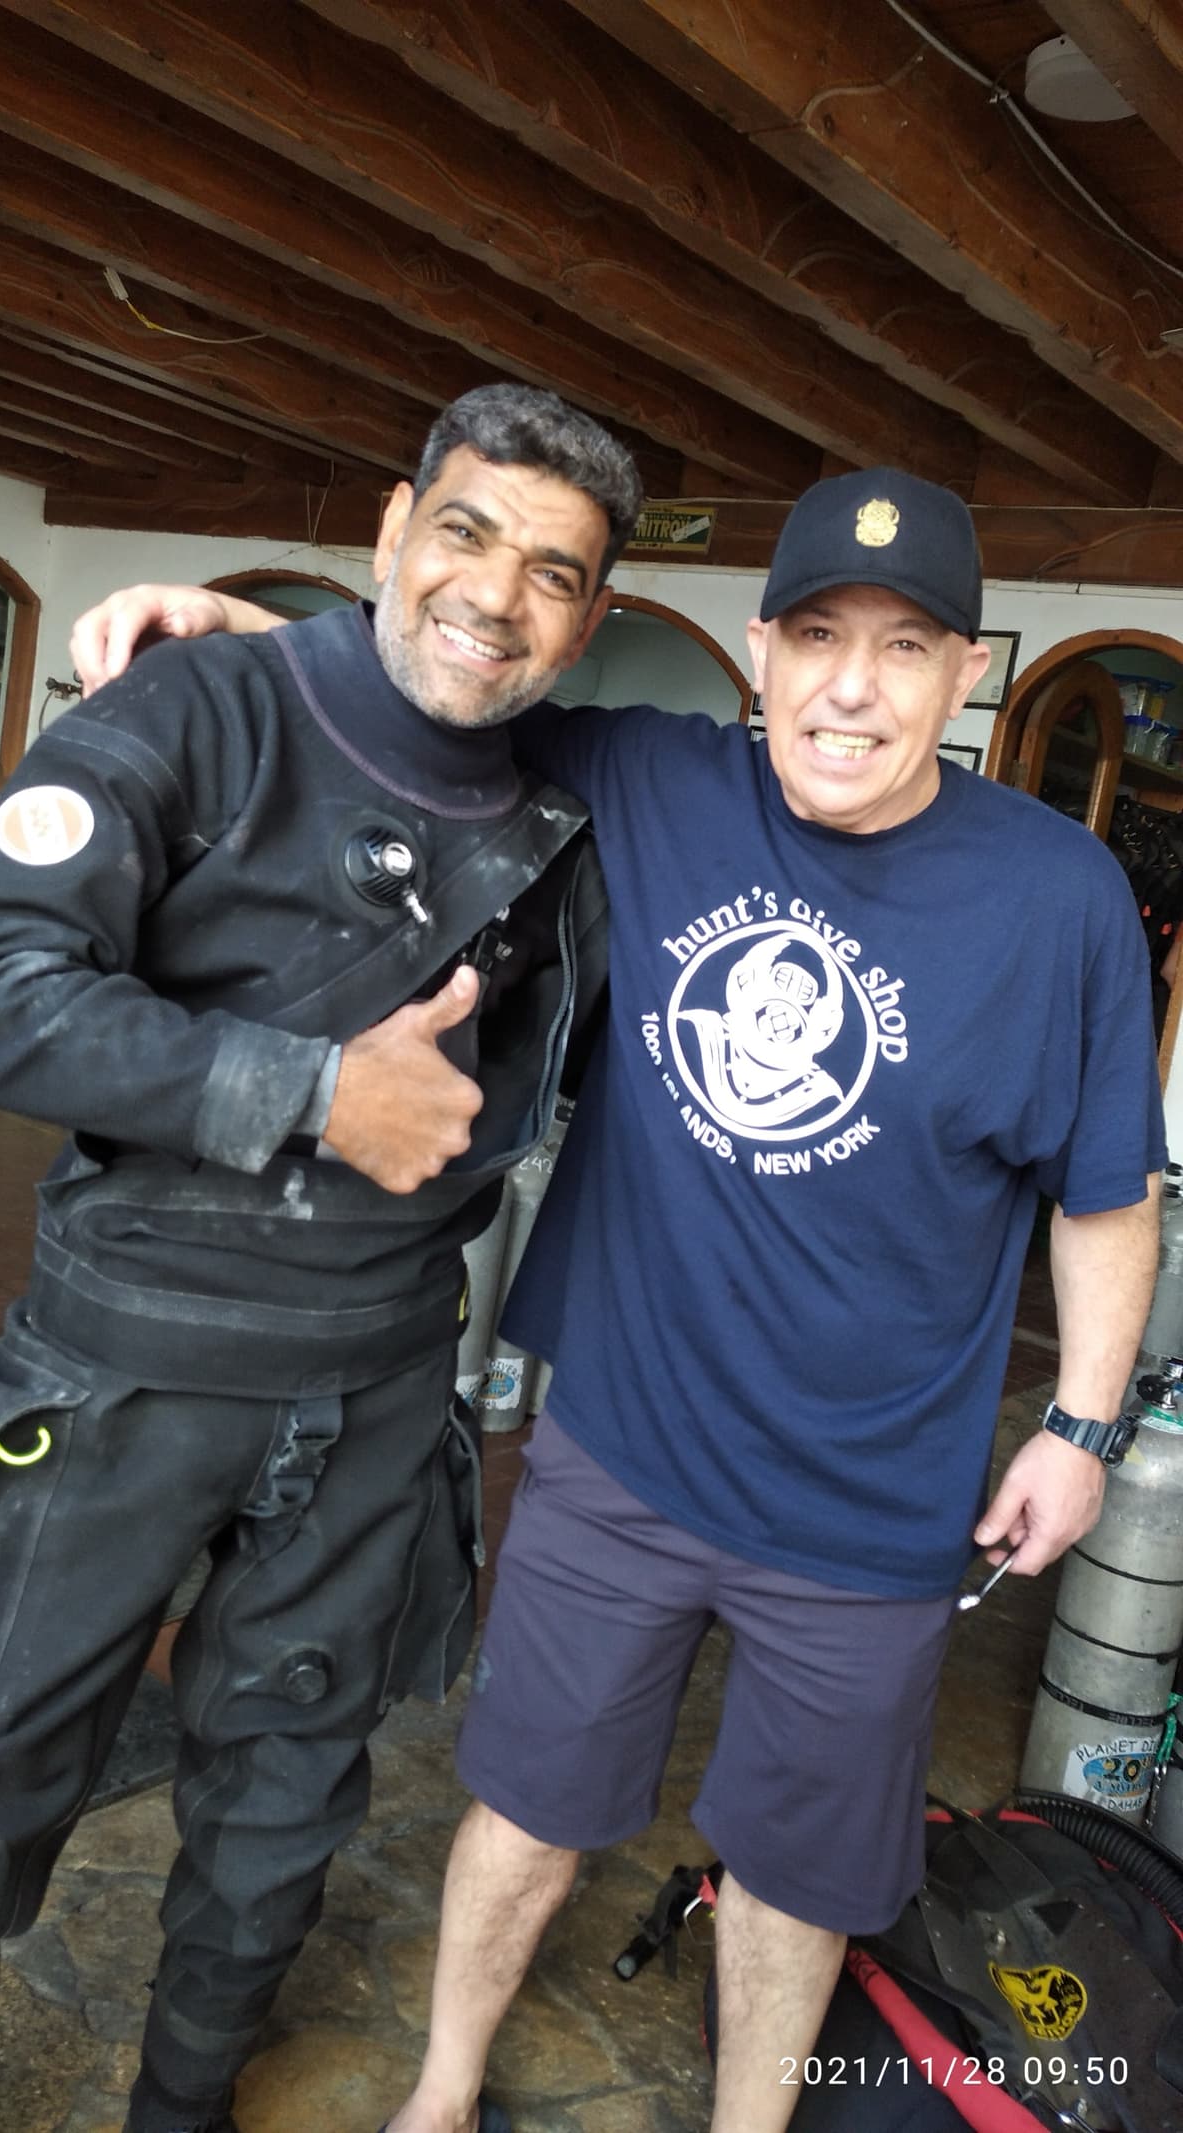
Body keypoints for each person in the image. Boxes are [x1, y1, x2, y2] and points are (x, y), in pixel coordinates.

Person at [70, 465, 1165, 2133]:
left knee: (797, 1869)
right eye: (815, 636)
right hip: (618, 1454)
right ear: (762, 651)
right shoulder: (654, 776)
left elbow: (1105, 1188)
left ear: (964, 675)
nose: (851, 685)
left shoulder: (1058, 896)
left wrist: (1083, 1420)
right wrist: (243, 631)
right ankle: (438, 2092)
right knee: (527, 1801)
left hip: (874, 1506)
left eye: (903, 644)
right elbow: (440, 694)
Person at [0, 382, 641, 2133]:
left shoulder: (563, 834)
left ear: (592, 621)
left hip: (370, 1391)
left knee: (282, 1803)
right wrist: (314, 1090)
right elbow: (1, 984)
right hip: (123, 1369)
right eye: (469, 532)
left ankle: (180, 2110)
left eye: (555, 573)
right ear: (390, 530)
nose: (497, 594)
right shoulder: (195, 702)